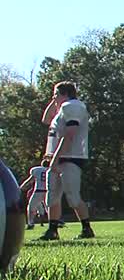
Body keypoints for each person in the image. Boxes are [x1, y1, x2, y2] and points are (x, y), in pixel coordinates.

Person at [36, 81, 96, 240]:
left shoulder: (73, 106)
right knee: (52, 196)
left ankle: (86, 228)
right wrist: (54, 100)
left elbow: (69, 135)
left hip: (70, 157)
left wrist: (55, 159)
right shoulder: (62, 108)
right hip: (59, 157)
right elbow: (46, 119)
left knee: (72, 196)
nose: (53, 97)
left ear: (65, 94)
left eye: (56, 93)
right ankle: (53, 230)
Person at [18, 159, 50, 230]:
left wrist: (21, 186)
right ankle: (55, 222)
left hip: (38, 191)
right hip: (48, 191)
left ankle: (31, 223)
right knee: (49, 208)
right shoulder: (50, 169)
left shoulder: (36, 170)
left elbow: (30, 180)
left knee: (31, 207)